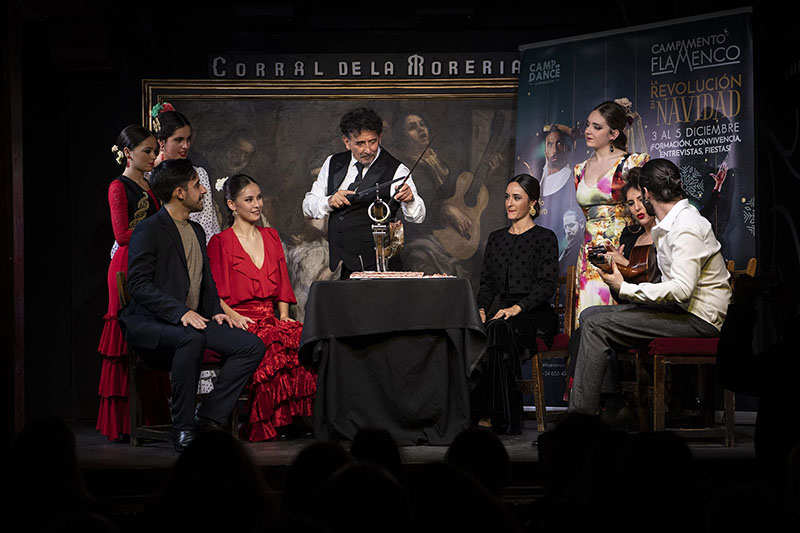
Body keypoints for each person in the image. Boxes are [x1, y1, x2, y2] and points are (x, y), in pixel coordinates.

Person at [119, 158, 265, 451]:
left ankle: (210, 416)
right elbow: (138, 285)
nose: (203, 191)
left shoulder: (196, 231)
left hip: (193, 323)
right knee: (192, 338)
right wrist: (181, 312)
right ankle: (182, 427)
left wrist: (216, 313)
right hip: (154, 325)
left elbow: (205, 282)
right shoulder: (149, 230)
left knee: (251, 346)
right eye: (197, 186)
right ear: (179, 193)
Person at [569, 158, 731, 415]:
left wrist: (624, 288)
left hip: (700, 319)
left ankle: (580, 421)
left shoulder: (685, 226)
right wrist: (623, 268)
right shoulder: (673, 224)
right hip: (682, 311)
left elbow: (681, 290)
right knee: (589, 316)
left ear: (646, 194)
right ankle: (605, 411)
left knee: (596, 323)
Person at [208, 174, 315, 441]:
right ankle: (272, 422)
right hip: (239, 320)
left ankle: (294, 417)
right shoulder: (220, 243)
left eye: (259, 198)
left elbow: (281, 283)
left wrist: (283, 316)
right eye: (249, 199)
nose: (257, 205)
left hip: (271, 317)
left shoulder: (271, 236)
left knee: (302, 338)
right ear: (232, 205)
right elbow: (214, 295)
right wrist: (236, 318)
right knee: (270, 344)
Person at [97, 125, 170, 440]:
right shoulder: (118, 186)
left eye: (155, 151)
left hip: (149, 263)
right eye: (148, 151)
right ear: (128, 154)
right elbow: (122, 235)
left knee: (151, 338)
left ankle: (151, 418)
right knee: (125, 340)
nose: (153, 157)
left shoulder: (151, 184)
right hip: (127, 265)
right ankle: (124, 423)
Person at [475, 174, 558, 434]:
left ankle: (496, 415)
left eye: (517, 198)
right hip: (500, 311)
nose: (509, 203)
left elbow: (546, 286)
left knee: (498, 328)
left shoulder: (545, 237)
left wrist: (516, 308)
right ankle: (501, 415)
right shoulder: (497, 238)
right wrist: (479, 309)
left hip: (533, 313)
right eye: (507, 197)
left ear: (532, 202)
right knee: (485, 328)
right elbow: (487, 284)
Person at [302, 107, 426, 278]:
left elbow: (418, 217)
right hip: (341, 266)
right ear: (346, 141)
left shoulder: (397, 170)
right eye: (360, 143)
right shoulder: (332, 163)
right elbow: (308, 206)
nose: (368, 150)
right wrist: (329, 201)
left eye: (373, 141)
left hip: (380, 267)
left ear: (380, 137)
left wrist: (410, 199)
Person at [573, 100, 649, 323]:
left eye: (597, 127)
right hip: (589, 251)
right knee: (588, 310)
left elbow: (644, 205)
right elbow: (586, 214)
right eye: (588, 125)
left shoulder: (632, 163)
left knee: (615, 311)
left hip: (620, 245)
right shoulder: (579, 170)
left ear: (614, 133)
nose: (588, 131)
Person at [151, 102, 221, 241]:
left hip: (190, 245)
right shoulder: (147, 175)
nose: (185, 146)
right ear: (161, 142)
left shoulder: (198, 174)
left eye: (188, 140)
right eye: (179, 140)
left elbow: (206, 224)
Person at [537, 125, 582, 274]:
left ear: (565, 148)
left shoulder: (571, 177)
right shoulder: (540, 176)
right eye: (550, 145)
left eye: (559, 144)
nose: (555, 150)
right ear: (545, 151)